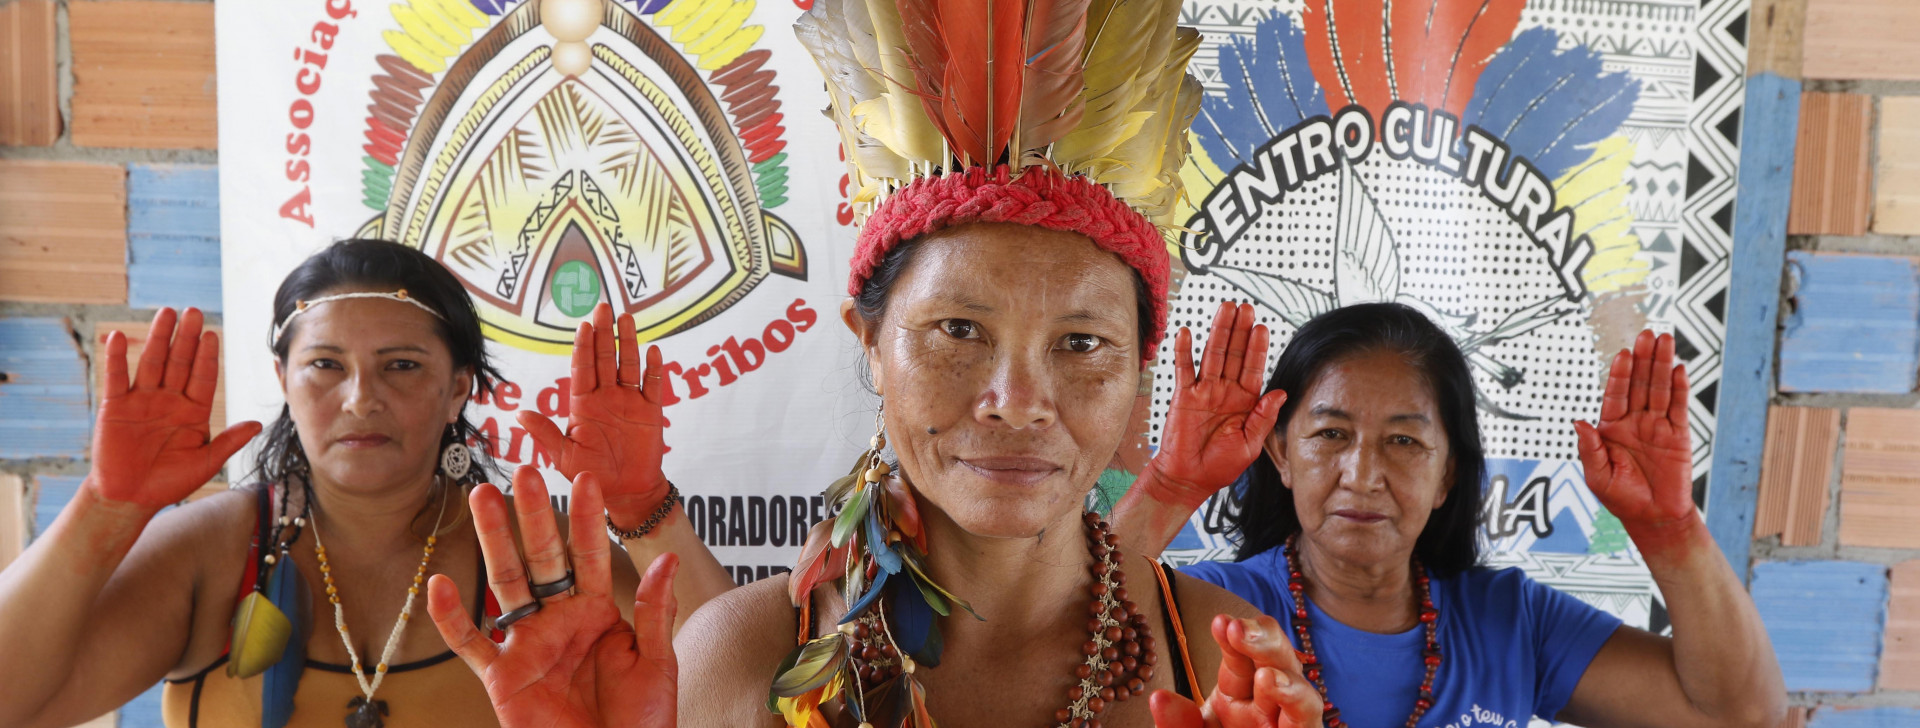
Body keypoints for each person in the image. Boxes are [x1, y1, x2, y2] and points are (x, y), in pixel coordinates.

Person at [423, 0, 1326, 724]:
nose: (1017, 402)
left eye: (1081, 345)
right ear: (870, 342)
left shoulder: (1222, 659)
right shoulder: (741, 655)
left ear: (1139, 370)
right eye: (958, 331)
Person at [0, 239, 645, 728]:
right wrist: (106, 509)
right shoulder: (215, 550)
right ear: (283, 381)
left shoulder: (545, 564)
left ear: (457, 390)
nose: (361, 399)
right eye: (325, 365)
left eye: (401, 365)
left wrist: (646, 509)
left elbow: (740, 697)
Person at [1113, 302, 1788, 728]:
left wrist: (1668, 529)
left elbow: (1739, 713)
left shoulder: (1509, 620)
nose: (1363, 474)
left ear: (1447, 476)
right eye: (1330, 435)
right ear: (1281, 456)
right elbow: (1050, 636)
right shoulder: (1218, 608)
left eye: (1404, 441)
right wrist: (1172, 484)